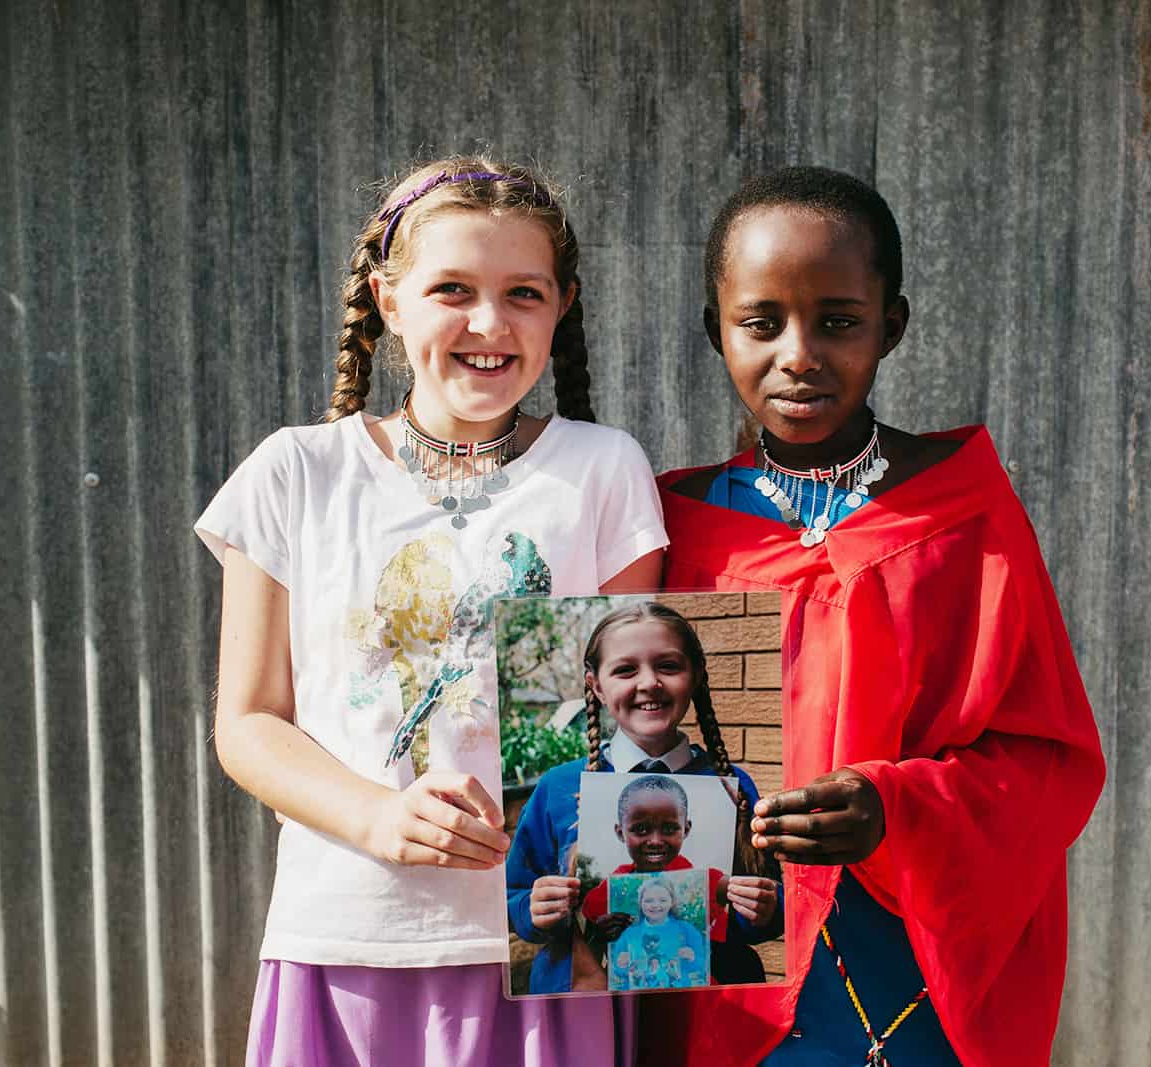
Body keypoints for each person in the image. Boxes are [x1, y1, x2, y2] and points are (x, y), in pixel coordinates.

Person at [196, 156, 668, 1067]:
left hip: (541, 950)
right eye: (452, 288)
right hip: (346, 940)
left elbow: (634, 720)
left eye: (523, 292)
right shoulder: (297, 472)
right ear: (387, 298)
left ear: (562, 305)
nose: (489, 323)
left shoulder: (603, 470)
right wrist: (377, 815)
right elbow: (248, 722)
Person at [648, 166, 1107, 1066]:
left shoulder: (962, 515)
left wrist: (896, 806)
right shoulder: (677, 526)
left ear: (891, 326)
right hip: (731, 970)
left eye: (840, 320)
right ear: (716, 331)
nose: (800, 352)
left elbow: (1046, 761)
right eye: (761, 321)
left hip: (913, 959)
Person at [506, 602, 782, 994]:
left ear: (696, 676)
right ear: (596, 685)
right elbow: (511, 897)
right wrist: (532, 910)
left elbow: (773, 907)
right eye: (625, 670)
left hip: (709, 1005)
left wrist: (764, 910)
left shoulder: (730, 786)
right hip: (585, 1006)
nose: (649, 683)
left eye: (668, 666)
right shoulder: (557, 787)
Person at [578, 775, 730, 946]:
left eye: (669, 829)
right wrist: (599, 936)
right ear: (621, 833)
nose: (656, 841)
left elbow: (740, 891)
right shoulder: (608, 893)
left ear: (685, 830)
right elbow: (589, 959)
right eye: (641, 829)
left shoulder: (701, 883)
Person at [611, 877, 708, 992]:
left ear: (672, 902)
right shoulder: (629, 933)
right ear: (640, 903)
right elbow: (618, 970)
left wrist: (692, 958)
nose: (655, 905)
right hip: (638, 998)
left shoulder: (687, 930)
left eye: (662, 900)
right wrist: (621, 964)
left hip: (676, 996)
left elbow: (701, 964)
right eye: (648, 901)